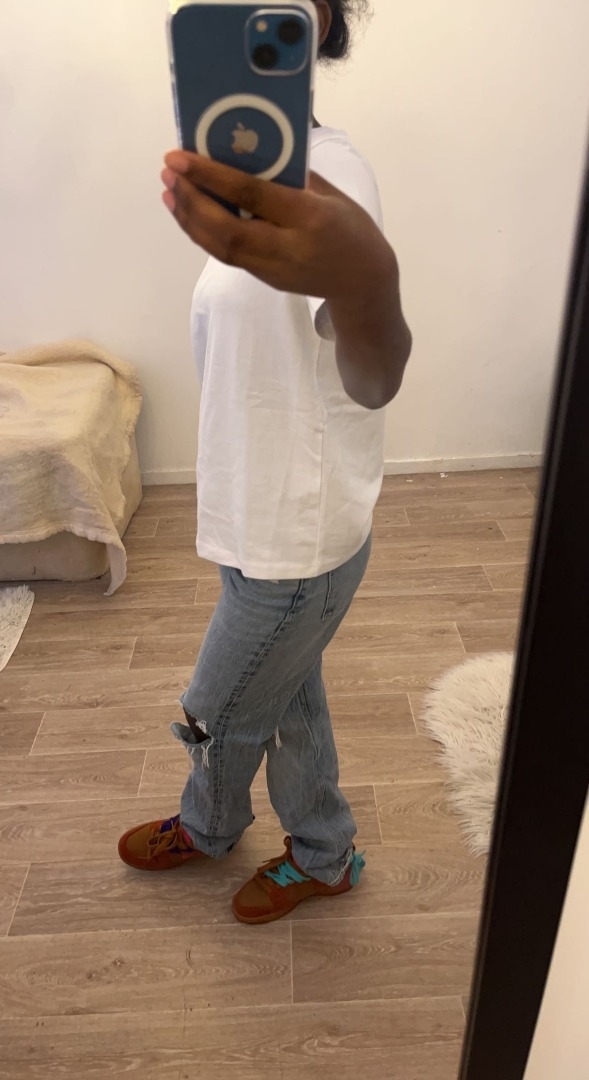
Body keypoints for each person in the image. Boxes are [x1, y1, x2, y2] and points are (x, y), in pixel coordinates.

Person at [119, 0, 412, 924]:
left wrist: (370, 281)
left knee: (218, 707)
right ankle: (325, 853)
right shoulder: (237, 183)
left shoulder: (333, 180)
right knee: (288, 701)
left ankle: (207, 826)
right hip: (257, 507)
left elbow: (373, 378)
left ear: (318, 21)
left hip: (297, 532)